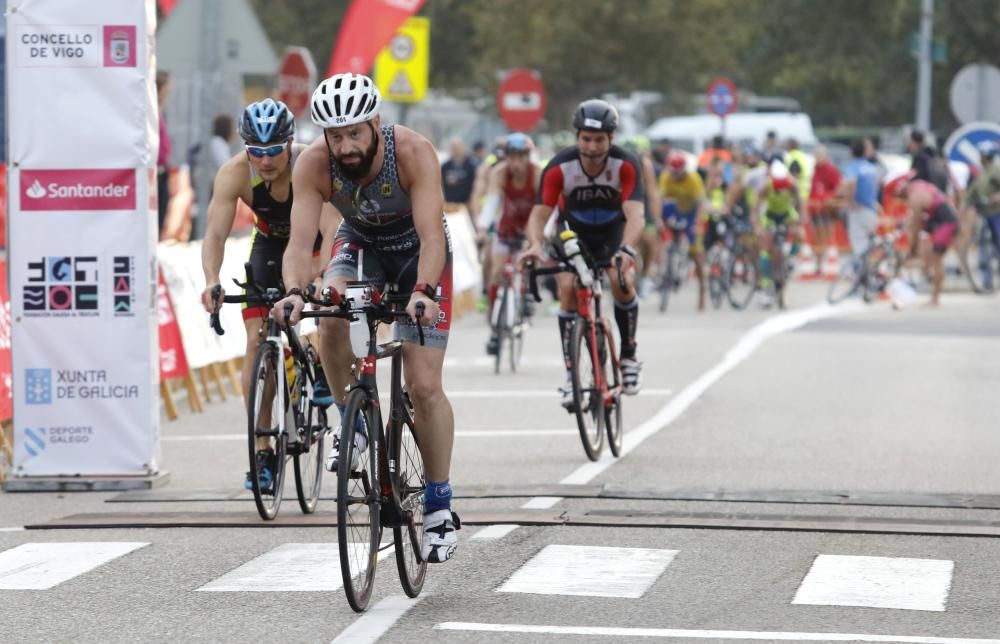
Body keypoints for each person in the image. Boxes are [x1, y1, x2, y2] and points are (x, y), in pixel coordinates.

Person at [274, 73, 460, 563]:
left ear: (376, 122)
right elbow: (299, 243)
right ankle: (350, 421)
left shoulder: (414, 153)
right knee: (329, 313)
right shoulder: (313, 164)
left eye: (355, 132)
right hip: (361, 247)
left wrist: (422, 292)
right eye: (335, 135)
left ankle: (439, 505)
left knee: (423, 386)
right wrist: (295, 292)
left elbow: (433, 235)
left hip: (418, 253)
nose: (346, 145)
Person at [200, 99, 339, 491]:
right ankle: (262, 448)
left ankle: (316, 358)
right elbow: (214, 233)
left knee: (324, 310)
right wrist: (212, 279)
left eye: (273, 150)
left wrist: (324, 276)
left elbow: (331, 230)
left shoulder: (308, 166)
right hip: (267, 247)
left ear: (290, 143)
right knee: (255, 343)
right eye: (255, 151)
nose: (264, 160)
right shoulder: (234, 174)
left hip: (311, 246)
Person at [519, 99, 645, 405]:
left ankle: (628, 357)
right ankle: (571, 373)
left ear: (611, 138)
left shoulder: (625, 164)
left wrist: (627, 248)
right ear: (577, 137)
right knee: (567, 287)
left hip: (612, 232)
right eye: (585, 139)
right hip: (571, 232)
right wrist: (535, 244)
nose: (591, 147)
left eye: (599, 140)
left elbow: (636, 214)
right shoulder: (560, 166)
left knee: (620, 279)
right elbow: (539, 214)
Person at [479, 132, 543, 356]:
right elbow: (492, 202)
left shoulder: (537, 174)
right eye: (512, 157)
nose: (516, 163)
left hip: (531, 221)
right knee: (497, 270)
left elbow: (543, 206)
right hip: (507, 224)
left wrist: (536, 235)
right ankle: (496, 328)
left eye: (522, 157)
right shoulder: (499, 172)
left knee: (532, 248)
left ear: (529, 157)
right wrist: (482, 227)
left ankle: (526, 293)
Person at [898, 171, 959, 306]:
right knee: (931, 256)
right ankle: (928, 280)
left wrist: (912, 249)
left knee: (937, 260)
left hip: (946, 222)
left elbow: (916, 225)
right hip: (939, 220)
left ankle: (935, 298)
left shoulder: (914, 197)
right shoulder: (919, 185)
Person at [659, 150, 708, 310]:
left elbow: (701, 204)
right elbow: (660, 199)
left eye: (678, 171)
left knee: (696, 252)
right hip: (677, 210)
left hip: (692, 212)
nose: (675, 175)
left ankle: (702, 291)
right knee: (667, 208)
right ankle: (671, 258)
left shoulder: (693, 179)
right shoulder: (666, 177)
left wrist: (697, 225)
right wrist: (661, 221)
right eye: (673, 171)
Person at [755, 160, 803, 307]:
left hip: (786, 214)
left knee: (800, 234)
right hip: (770, 215)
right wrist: (758, 227)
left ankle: (792, 257)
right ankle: (766, 285)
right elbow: (755, 209)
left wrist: (799, 223)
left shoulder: (792, 184)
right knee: (766, 247)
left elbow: (800, 204)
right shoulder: (766, 186)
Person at [621, 136, 664, 298]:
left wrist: (657, 217)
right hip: (623, 201)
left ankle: (646, 276)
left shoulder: (645, 165)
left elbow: (653, 193)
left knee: (649, 241)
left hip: (642, 201)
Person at [962, 140, 1000, 288]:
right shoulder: (982, 172)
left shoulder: (996, 170)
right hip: (985, 215)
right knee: (984, 248)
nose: (979, 157)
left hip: (997, 214)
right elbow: (971, 193)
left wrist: (995, 197)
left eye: (981, 154)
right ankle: (987, 281)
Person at [838, 139, 880, 261]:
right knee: (870, 244)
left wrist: (850, 200)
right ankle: (873, 272)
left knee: (859, 246)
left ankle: (863, 274)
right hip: (871, 210)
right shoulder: (872, 168)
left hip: (858, 210)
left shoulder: (853, 167)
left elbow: (851, 183)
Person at [807, 145, 841, 275]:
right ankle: (818, 264)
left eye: (819, 155)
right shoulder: (814, 170)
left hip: (826, 209)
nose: (817, 158)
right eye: (816, 155)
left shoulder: (831, 171)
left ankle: (827, 264)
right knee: (815, 238)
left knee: (826, 236)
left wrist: (827, 199)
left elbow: (837, 189)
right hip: (814, 209)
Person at [441, 137, 478, 216]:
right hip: (449, 207)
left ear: (463, 147)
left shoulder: (472, 166)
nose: (456, 150)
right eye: (453, 147)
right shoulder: (445, 166)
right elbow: (440, 185)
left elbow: (476, 186)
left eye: (458, 147)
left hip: (466, 206)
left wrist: (472, 203)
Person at [156, 71, 173, 238]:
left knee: (162, 212)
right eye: (166, 90)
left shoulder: (160, 110)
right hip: (155, 170)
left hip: (162, 168)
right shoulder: (151, 109)